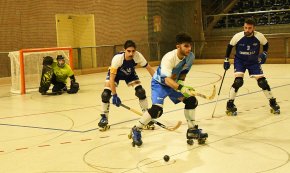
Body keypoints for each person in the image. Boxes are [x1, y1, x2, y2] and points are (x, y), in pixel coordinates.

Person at [129, 33, 208, 147]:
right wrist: (181, 88)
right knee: (157, 111)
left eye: (190, 46)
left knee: (191, 101)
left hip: (173, 84)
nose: (189, 49)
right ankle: (137, 129)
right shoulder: (169, 58)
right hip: (159, 84)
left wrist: (182, 85)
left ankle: (192, 130)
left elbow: (182, 74)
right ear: (178, 46)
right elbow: (166, 80)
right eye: (186, 46)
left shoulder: (190, 57)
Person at [223, 18, 280, 116]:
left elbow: (266, 44)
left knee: (262, 82)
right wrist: (226, 60)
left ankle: (272, 102)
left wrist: (265, 53)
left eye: (249, 28)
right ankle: (230, 104)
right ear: (243, 27)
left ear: (253, 28)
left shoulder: (259, 36)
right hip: (240, 61)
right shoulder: (238, 36)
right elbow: (230, 46)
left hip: (253, 61)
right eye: (245, 28)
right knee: (238, 81)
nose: (247, 30)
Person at [98, 40, 155, 131]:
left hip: (129, 73)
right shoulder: (117, 59)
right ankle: (104, 117)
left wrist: (158, 80)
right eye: (129, 51)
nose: (131, 53)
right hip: (116, 74)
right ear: (124, 50)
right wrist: (115, 95)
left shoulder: (138, 56)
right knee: (106, 94)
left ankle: (146, 116)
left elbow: (149, 68)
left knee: (141, 92)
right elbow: (112, 79)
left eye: (133, 51)